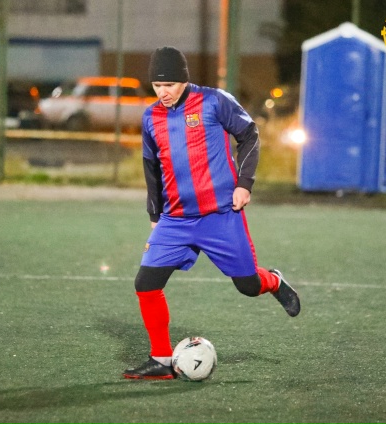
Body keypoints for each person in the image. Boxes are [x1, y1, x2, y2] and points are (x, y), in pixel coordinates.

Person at [123, 47, 300, 380]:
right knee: (146, 284)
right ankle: (161, 360)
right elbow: (151, 167)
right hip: (176, 219)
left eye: (169, 84)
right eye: (157, 86)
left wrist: (244, 184)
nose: (163, 92)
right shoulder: (151, 117)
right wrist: (154, 214)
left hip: (220, 215)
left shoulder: (214, 101)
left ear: (184, 79)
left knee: (248, 285)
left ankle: (274, 281)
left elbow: (249, 135)